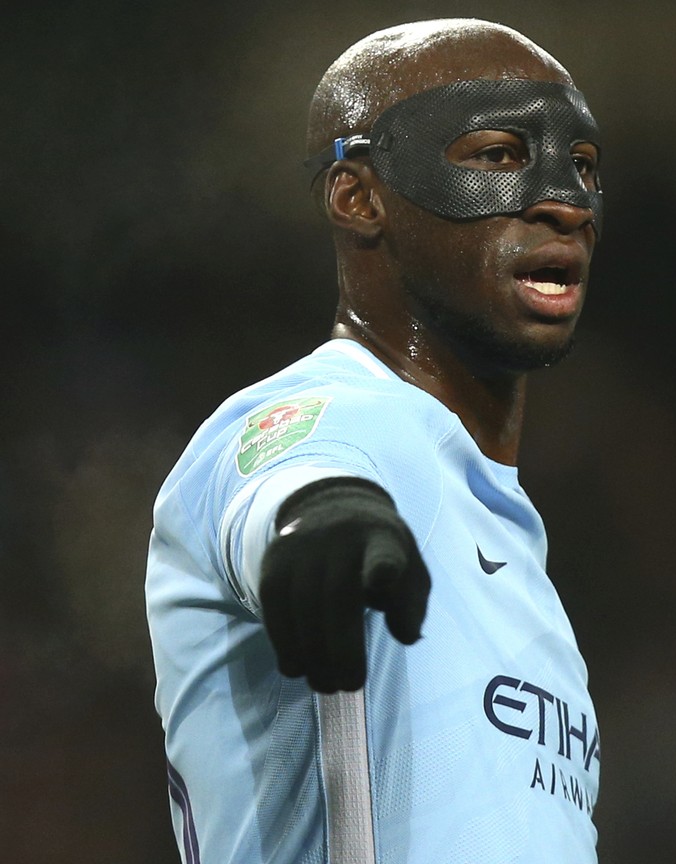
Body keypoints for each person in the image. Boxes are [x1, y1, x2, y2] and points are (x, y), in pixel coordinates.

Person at [145, 19, 604, 863]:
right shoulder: (328, 414)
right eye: (497, 154)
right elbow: (290, 481)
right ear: (358, 197)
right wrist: (327, 518)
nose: (564, 199)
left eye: (581, 164)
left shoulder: (521, 562)